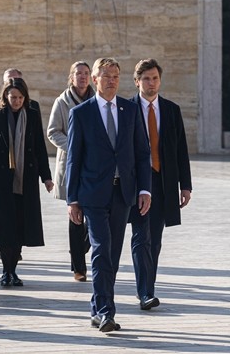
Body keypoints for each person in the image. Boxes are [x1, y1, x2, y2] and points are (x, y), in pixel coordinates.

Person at [65, 57, 152, 333]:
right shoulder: (81, 113)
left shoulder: (130, 110)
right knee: (101, 249)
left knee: (112, 254)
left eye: (115, 76)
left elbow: (142, 152)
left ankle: (97, 307)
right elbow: (73, 159)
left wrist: (145, 189)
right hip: (93, 194)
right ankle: (106, 312)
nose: (112, 81)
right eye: (106, 76)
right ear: (95, 80)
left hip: (122, 193)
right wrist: (72, 199)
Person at [128, 59, 192, 311]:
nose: (151, 83)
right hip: (137, 183)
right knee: (140, 236)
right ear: (137, 82)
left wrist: (185, 185)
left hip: (163, 182)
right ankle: (145, 292)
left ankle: (148, 288)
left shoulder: (171, 110)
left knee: (155, 239)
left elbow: (181, 149)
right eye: (146, 79)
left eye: (155, 78)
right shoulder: (127, 109)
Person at [0, 78, 54, 286]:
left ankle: (13, 270)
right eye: (13, 97)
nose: (17, 101)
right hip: (0, 179)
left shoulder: (32, 114)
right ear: (6, 96)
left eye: (20, 97)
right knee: (5, 226)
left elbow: (39, 146)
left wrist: (46, 177)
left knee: (21, 226)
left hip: (25, 179)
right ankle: (6, 271)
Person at [47, 61, 95, 281]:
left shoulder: (98, 100)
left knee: (94, 215)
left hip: (94, 166)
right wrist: (74, 146)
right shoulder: (62, 102)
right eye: (78, 73)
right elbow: (53, 131)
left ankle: (80, 249)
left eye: (86, 73)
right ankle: (79, 268)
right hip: (71, 164)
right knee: (75, 214)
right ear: (71, 77)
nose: (83, 77)